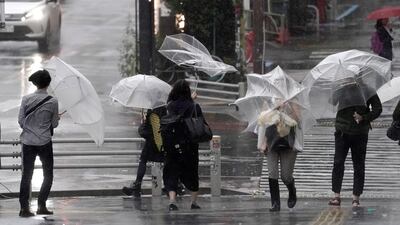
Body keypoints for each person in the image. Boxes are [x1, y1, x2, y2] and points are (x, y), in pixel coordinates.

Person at [328, 73, 382, 207]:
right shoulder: (342, 88)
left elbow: (378, 108)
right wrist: (335, 87)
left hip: (360, 133)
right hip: (342, 131)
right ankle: (336, 195)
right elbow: (332, 101)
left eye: (355, 76)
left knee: (358, 165)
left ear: (359, 76)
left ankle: (356, 197)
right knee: (338, 162)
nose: (352, 79)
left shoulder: (367, 90)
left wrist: (364, 117)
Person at [18, 69, 59, 217]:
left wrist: (30, 127)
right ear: (48, 83)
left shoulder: (26, 99)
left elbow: (21, 121)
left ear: (35, 83)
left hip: (28, 142)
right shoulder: (53, 101)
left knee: (27, 175)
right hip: (44, 142)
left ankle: (24, 208)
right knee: (48, 175)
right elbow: (54, 125)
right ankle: (41, 205)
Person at [162, 79, 203, 211]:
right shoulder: (194, 107)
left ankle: (173, 200)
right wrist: (192, 102)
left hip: (172, 143)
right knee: (192, 172)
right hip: (189, 145)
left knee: (171, 172)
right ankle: (194, 202)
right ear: (188, 91)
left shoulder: (169, 106)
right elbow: (201, 122)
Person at [257, 105, 301, 212]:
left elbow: (298, 120)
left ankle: (292, 190)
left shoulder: (293, 100)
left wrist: (285, 112)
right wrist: (274, 111)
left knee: (286, 176)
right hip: (271, 141)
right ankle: (275, 203)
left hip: (288, 143)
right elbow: (262, 120)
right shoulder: (268, 100)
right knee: (272, 173)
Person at [122, 106, 167, 197]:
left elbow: (149, 130)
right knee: (167, 162)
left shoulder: (153, 111)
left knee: (143, 160)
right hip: (163, 141)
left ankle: (137, 185)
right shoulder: (166, 109)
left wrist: (144, 122)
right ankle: (172, 185)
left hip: (152, 142)